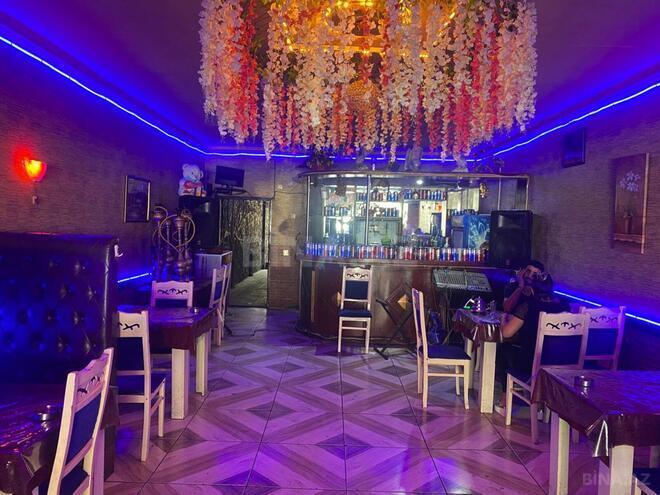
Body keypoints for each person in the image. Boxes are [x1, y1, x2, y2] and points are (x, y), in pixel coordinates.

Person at [494, 260, 567, 413]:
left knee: (504, 348)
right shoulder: (563, 305)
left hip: (532, 361)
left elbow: (506, 333)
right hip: (561, 359)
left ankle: (505, 400)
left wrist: (503, 320)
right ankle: (541, 406)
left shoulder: (528, 307)